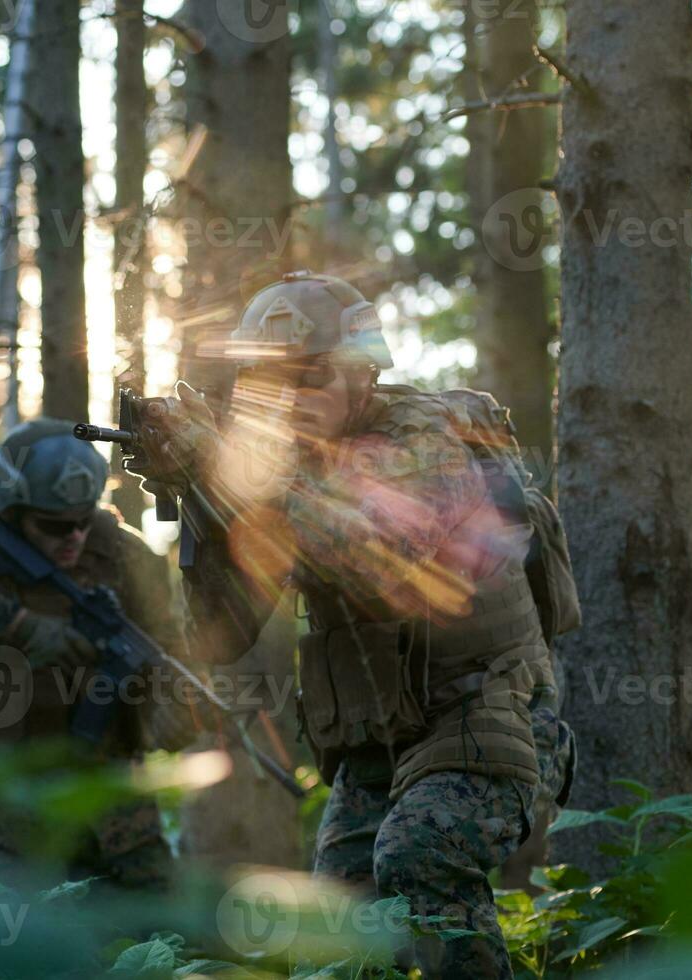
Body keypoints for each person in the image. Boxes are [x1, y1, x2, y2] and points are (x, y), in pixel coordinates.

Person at [131, 271, 580, 977]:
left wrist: (226, 472)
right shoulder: (278, 469)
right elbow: (223, 630)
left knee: (420, 860)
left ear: (363, 375)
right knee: (338, 927)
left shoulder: (427, 436)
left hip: (489, 706)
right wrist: (201, 506)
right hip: (381, 732)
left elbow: (377, 554)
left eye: (311, 377)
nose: (292, 400)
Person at [0, 418, 197, 892]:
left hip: (114, 815)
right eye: (53, 525)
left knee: (159, 947)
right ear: (13, 511)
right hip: (3, 811)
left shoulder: (126, 555)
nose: (73, 537)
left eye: (83, 522)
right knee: (8, 954)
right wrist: (17, 624)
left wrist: (175, 706)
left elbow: (170, 650)